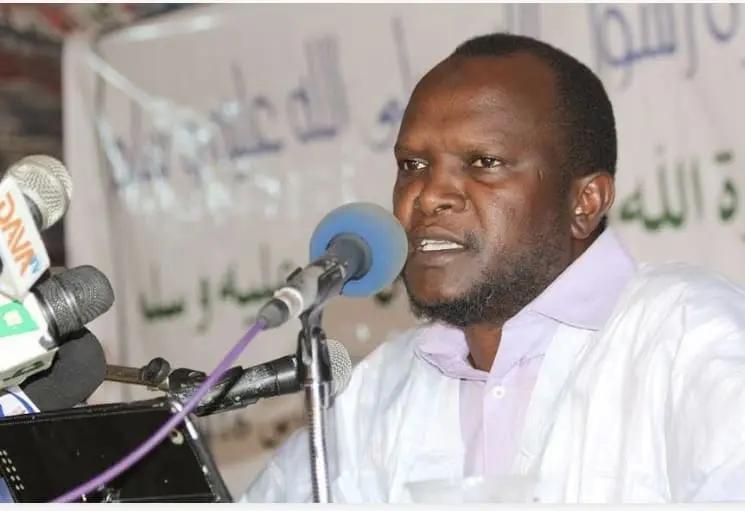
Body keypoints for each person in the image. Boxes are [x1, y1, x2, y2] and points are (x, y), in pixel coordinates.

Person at [241, 32, 745, 503]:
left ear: (585, 202)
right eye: (413, 165)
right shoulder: (380, 391)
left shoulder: (686, 336)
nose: (429, 196)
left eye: (484, 162)